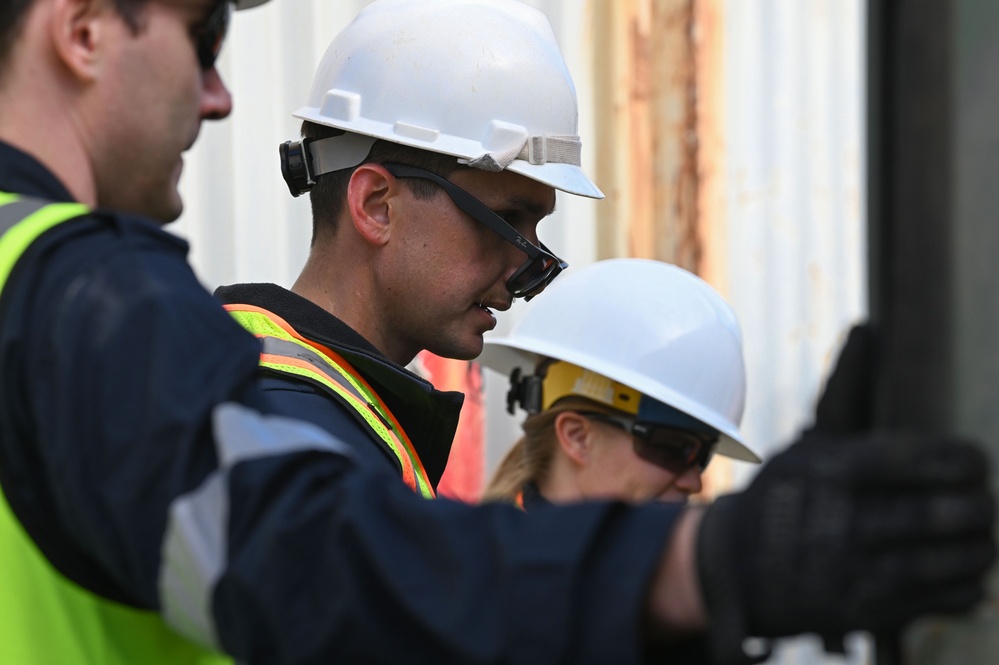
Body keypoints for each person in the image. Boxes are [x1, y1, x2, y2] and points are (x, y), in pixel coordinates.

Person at [0, 0, 993, 664]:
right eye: (506, 221)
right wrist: (706, 565)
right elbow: (326, 567)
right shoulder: (232, 377)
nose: (219, 92)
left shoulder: (302, 394)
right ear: (378, 202)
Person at [213, 0, 602, 499]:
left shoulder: (322, 414)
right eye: (505, 222)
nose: (520, 272)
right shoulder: (299, 449)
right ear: (377, 207)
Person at [479, 259, 761, 508]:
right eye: (673, 448)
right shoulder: (486, 566)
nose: (694, 483)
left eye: (703, 456)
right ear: (578, 437)